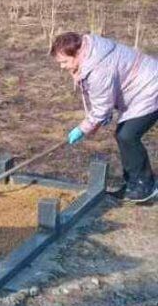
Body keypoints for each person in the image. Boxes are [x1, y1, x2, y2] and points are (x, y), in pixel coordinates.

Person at [51, 31, 158, 203]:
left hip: (151, 88)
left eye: (64, 61)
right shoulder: (91, 51)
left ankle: (144, 186)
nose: (62, 67)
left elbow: (101, 108)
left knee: (127, 135)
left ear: (77, 53)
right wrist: (95, 123)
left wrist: (82, 129)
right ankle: (133, 183)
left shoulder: (99, 68)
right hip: (142, 86)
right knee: (124, 135)